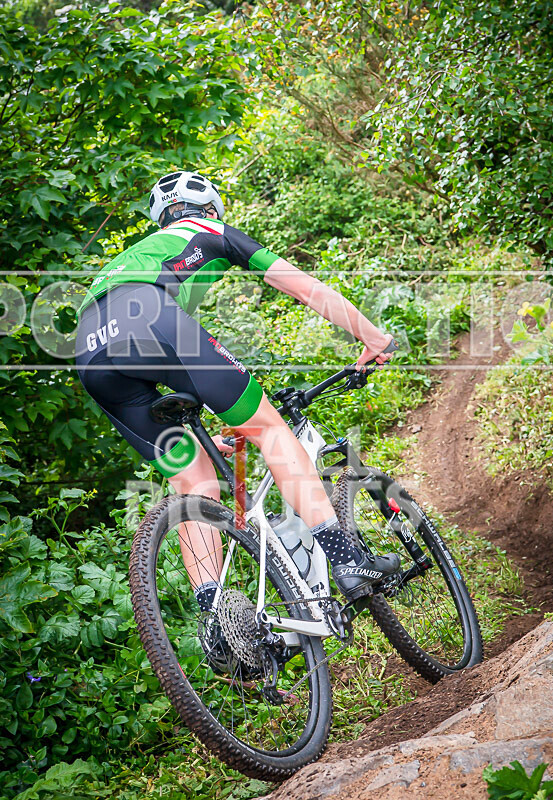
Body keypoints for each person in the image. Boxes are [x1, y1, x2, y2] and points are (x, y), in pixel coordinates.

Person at [75, 171, 400, 606]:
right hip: (150, 317)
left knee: (193, 478)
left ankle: (215, 616)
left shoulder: (133, 257)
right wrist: (372, 337)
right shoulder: (209, 230)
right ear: (209, 208)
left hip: (88, 351)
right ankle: (347, 560)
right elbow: (303, 287)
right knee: (270, 430)